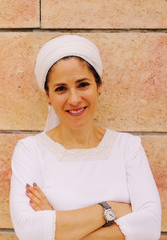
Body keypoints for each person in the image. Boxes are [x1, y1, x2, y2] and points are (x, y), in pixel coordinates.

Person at [9, 35, 161, 240]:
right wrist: (110, 209)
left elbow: (150, 228)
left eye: (83, 84)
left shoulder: (127, 147)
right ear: (48, 96)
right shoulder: (30, 151)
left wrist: (56, 225)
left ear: (98, 86)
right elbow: (29, 231)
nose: (74, 99)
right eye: (61, 88)